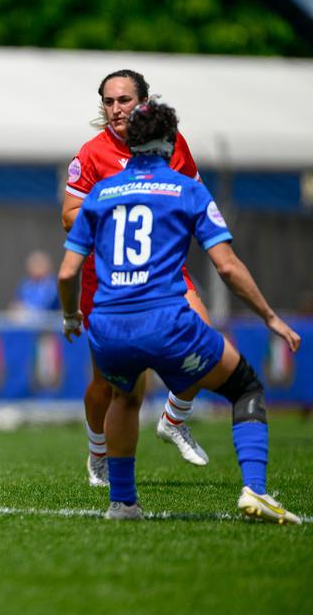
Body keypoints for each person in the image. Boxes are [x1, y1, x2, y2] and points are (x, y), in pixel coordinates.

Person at [58, 99, 302, 523]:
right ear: (171, 142)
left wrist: (70, 316)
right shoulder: (187, 188)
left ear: (130, 143)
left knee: (125, 398)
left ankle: (123, 504)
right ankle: (255, 491)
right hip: (166, 320)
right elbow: (226, 265)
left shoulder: (100, 193)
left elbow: (66, 274)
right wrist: (269, 316)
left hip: (108, 325)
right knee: (245, 387)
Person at [62, 69, 211, 487]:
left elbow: (196, 199)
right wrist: (119, 217)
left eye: (124, 100)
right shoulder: (92, 154)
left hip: (163, 269)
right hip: (108, 277)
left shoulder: (173, 145)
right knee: (109, 383)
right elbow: (68, 216)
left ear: (144, 102)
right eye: (108, 102)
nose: (115, 109)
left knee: (205, 338)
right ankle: (97, 454)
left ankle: (173, 420)